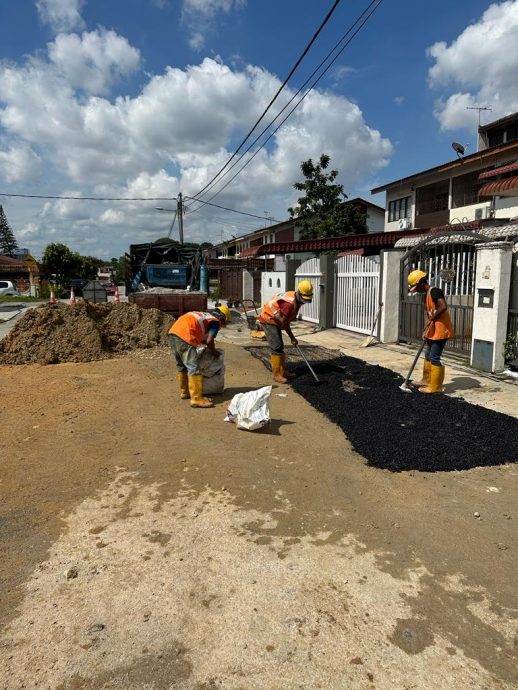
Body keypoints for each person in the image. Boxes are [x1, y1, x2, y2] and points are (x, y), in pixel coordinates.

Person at [169, 306, 230, 408]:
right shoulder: (215, 322)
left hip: (173, 333)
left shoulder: (203, 315)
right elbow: (209, 341)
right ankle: (197, 399)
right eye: (223, 323)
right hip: (185, 336)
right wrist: (214, 352)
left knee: (181, 365)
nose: (221, 326)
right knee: (194, 367)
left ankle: (185, 392)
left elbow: (201, 335)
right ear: (221, 318)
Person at [258, 279, 314, 384]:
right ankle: (276, 375)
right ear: (299, 294)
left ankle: (283, 372)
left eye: (307, 300)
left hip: (276, 319)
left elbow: (285, 322)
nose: (305, 302)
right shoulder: (289, 304)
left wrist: (292, 337)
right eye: (304, 299)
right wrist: (292, 337)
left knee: (280, 347)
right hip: (268, 319)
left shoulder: (296, 299)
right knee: (276, 347)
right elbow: (285, 324)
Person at [407, 270, 454, 394]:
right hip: (432, 330)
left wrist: (432, 318)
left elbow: (443, 306)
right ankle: (426, 380)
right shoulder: (426, 295)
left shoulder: (434, 291)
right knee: (428, 355)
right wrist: (425, 328)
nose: (416, 290)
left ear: (422, 282)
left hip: (441, 330)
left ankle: (436, 387)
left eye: (417, 287)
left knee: (434, 357)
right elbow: (426, 312)